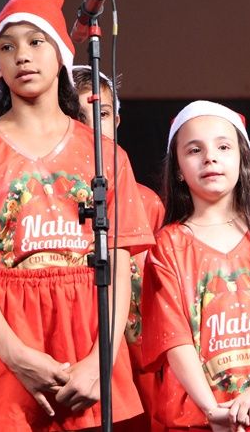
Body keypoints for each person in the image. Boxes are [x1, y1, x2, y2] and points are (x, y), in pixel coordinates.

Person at [0, 0, 155, 431]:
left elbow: (119, 260)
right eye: (7, 47)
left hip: (86, 343)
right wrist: (16, 356)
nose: (22, 56)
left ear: (62, 54)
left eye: (35, 41)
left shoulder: (104, 156)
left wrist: (101, 360)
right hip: (1, 344)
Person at [142, 101, 250, 431]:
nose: (210, 158)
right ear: (177, 168)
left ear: (243, 159)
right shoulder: (168, 245)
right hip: (198, 415)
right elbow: (173, 335)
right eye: (194, 150)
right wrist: (210, 409)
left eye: (223, 147)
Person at [72, 65, 165, 429]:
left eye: (103, 114)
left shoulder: (148, 203)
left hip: (138, 367)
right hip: (80, 355)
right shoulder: (52, 199)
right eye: (77, 115)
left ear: (118, 120)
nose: (91, 126)